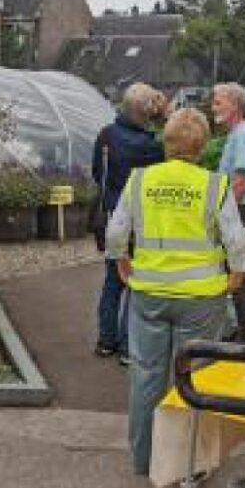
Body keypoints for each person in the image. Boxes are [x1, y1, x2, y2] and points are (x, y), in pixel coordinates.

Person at [105, 108, 245, 476]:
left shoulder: (140, 180)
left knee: (146, 376)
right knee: (195, 378)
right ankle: (189, 466)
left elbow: (117, 230)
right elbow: (235, 238)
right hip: (201, 298)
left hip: (149, 293)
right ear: (202, 147)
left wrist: (122, 262)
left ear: (166, 143)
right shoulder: (214, 185)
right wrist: (237, 273)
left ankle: (144, 459)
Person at [90, 82, 166, 365]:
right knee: (135, 282)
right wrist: (165, 116)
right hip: (141, 222)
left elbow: (97, 172)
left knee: (112, 281)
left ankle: (105, 341)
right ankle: (126, 347)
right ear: (148, 112)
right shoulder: (152, 147)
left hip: (113, 218)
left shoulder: (106, 135)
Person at [210, 82, 245, 342]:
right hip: (238, 210)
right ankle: (239, 330)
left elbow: (240, 182)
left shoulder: (242, 136)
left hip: (238, 211)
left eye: (218, 102)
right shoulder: (238, 135)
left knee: (238, 272)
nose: (213, 107)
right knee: (236, 270)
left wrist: (223, 215)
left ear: (235, 106)